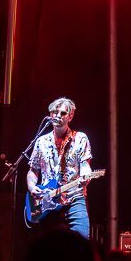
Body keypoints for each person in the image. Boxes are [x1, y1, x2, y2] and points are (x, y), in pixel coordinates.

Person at [27, 97, 93, 238]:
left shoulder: (80, 138)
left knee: (81, 241)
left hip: (74, 197)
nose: (57, 115)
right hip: (48, 201)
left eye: (62, 113)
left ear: (70, 116)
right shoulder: (41, 141)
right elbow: (33, 171)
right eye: (54, 112)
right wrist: (32, 187)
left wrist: (86, 178)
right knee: (49, 248)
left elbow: (85, 165)